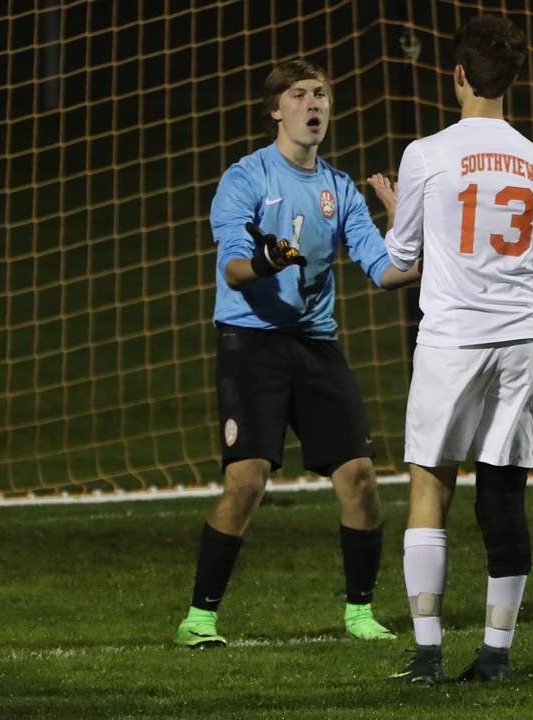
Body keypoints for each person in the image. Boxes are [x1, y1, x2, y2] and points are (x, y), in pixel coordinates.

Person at [173, 58, 419, 648]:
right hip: (250, 343)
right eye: (301, 95)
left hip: (315, 344)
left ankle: (359, 613)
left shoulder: (340, 189)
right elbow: (233, 270)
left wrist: (400, 220)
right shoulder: (246, 178)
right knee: (248, 481)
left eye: (322, 95)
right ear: (276, 109)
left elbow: (388, 272)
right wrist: (267, 261)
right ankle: (199, 619)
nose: (314, 105)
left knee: (360, 478)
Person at [380, 15, 533, 684]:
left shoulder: (426, 154)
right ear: (511, 79)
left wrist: (404, 213)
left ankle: (428, 652)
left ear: (458, 76)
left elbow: (401, 259)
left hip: (453, 337)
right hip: (519, 338)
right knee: (504, 492)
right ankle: (496, 654)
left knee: (430, 482)